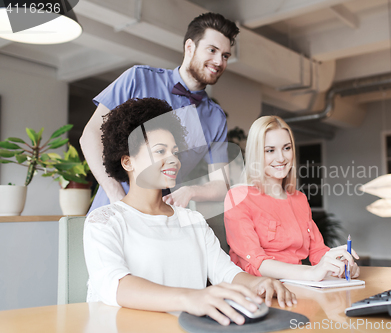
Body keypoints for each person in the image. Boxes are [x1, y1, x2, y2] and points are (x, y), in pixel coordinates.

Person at [83, 98, 296, 326]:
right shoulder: (104, 221)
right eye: (160, 151)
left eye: (174, 151)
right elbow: (116, 285)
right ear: (127, 162)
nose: (173, 159)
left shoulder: (191, 219)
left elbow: (225, 271)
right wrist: (191, 298)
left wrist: (257, 283)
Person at [81, 12, 238, 214]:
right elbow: (90, 136)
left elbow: (221, 184)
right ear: (189, 47)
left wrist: (190, 191)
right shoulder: (138, 78)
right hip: (112, 211)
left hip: (161, 221)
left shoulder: (215, 117)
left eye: (225, 56)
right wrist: (117, 196)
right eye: (212, 50)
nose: (219, 61)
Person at [224, 116, 360, 281]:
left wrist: (340, 264)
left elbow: (317, 251)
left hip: (298, 286)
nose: (281, 158)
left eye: (286, 148)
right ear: (256, 154)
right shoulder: (238, 197)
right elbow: (256, 262)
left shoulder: (299, 199)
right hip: (259, 293)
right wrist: (311, 273)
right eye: (270, 150)